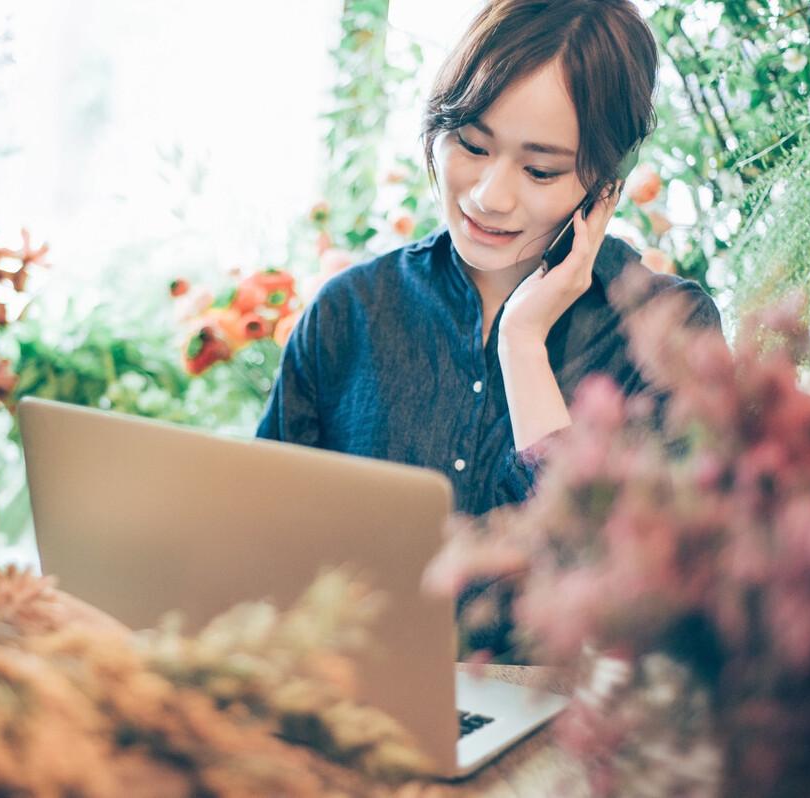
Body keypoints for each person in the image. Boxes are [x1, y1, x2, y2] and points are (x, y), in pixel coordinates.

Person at [257, 0, 720, 518]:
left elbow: (631, 578)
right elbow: (261, 534)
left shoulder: (669, 332)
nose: (489, 197)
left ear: (605, 186)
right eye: (472, 146)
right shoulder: (351, 311)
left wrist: (523, 346)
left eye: (540, 171)